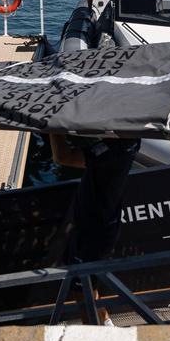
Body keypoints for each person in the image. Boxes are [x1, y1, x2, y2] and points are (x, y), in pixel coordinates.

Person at [49, 134, 141, 325]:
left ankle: (94, 338)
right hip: (98, 224)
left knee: (81, 290)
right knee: (89, 285)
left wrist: (52, 127)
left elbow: (62, 157)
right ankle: (106, 324)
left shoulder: (115, 148)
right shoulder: (129, 141)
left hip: (94, 228)